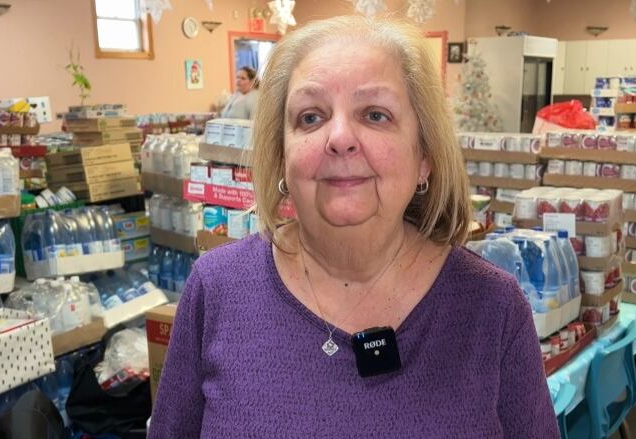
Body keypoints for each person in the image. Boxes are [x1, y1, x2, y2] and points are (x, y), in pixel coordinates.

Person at [149, 16, 559, 438]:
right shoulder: (216, 289)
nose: (340, 137)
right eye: (311, 117)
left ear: (425, 156)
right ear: (281, 156)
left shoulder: (493, 307)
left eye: (375, 114)